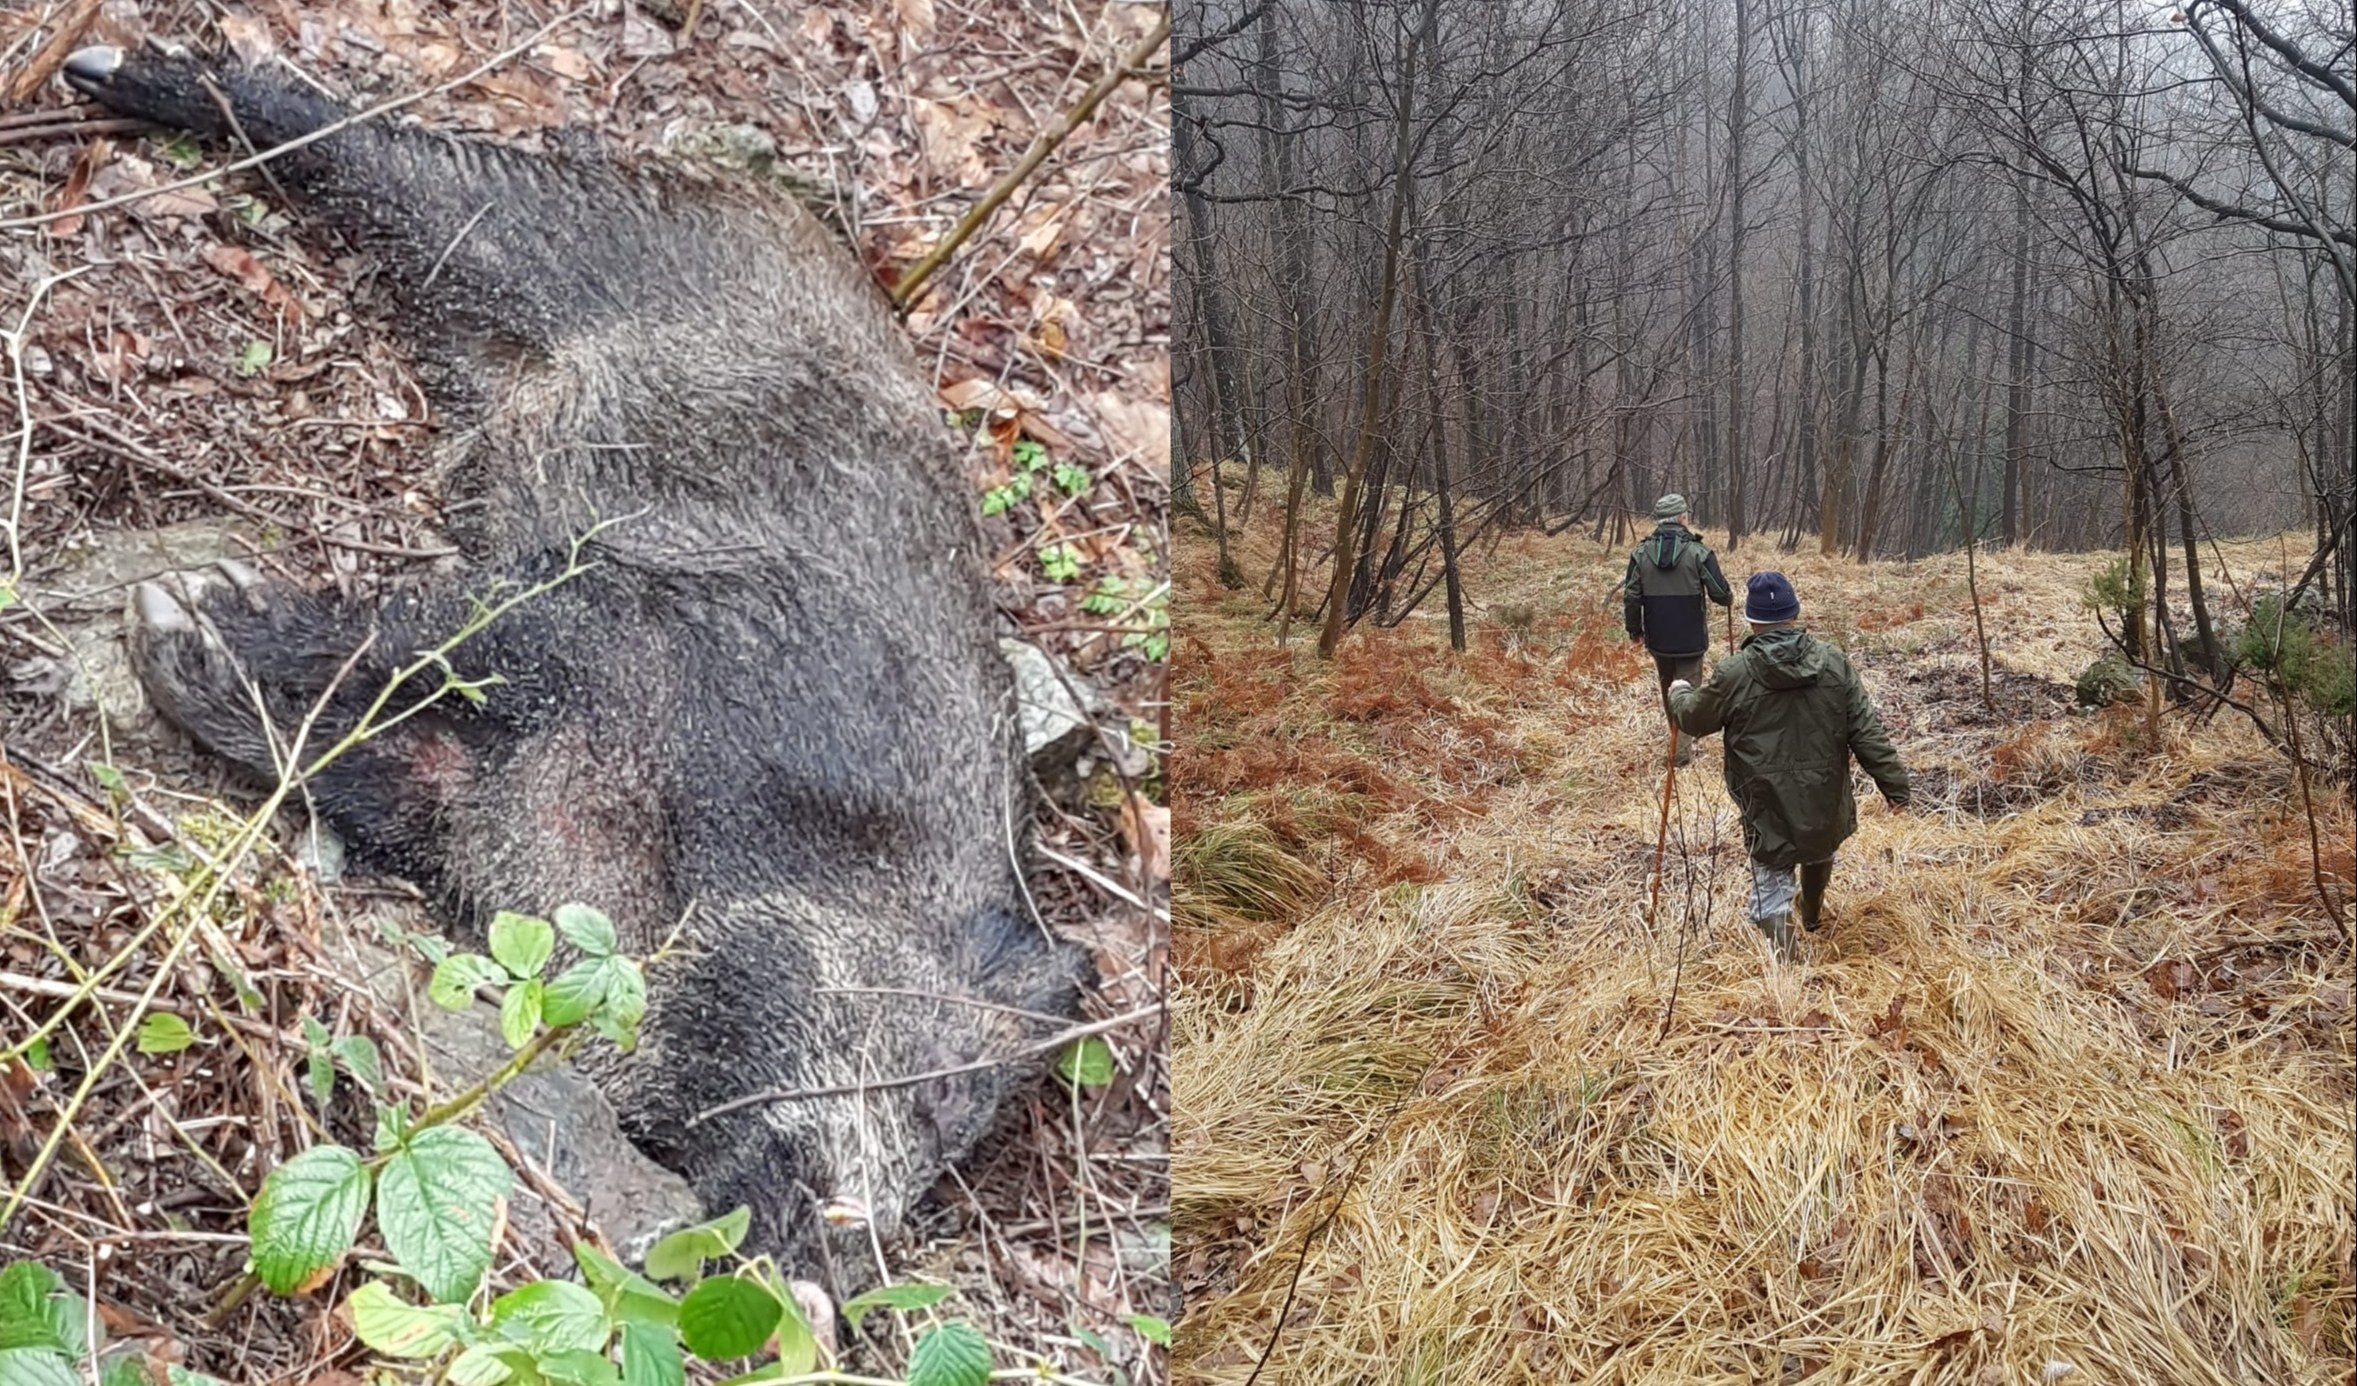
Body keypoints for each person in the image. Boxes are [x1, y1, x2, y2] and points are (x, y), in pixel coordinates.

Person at [1668, 571, 1911, 962]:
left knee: (1770, 880)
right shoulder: (1834, 663)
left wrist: (1678, 694)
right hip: (1825, 793)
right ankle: (1812, 916)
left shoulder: (1736, 673)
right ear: (1794, 614)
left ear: (1751, 619)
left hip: (1765, 800)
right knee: (1819, 848)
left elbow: (1695, 721)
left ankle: (1789, 966)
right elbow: (1867, 732)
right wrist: (1895, 789)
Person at [1623, 494, 1732, 765]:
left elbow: (1631, 596)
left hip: (1658, 638)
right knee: (1688, 693)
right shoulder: (1699, 552)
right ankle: (1680, 756)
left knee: (1668, 689)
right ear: (1683, 518)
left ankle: (1678, 738)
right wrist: (1728, 596)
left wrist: (1634, 630)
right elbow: (1720, 594)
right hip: (1690, 639)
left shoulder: (1640, 553)